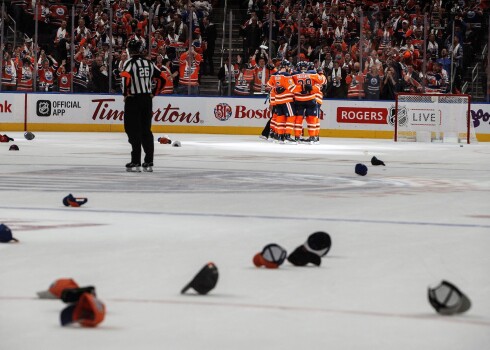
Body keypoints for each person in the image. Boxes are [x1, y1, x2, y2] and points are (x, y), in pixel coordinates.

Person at [120, 39, 166, 172]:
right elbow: (163, 78)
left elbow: (125, 77)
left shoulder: (129, 63)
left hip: (133, 100)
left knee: (132, 129)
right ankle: (149, 160)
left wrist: (125, 93)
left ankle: (136, 160)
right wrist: (154, 93)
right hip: (147, 99)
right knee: (146, 130)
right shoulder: (149, 63)